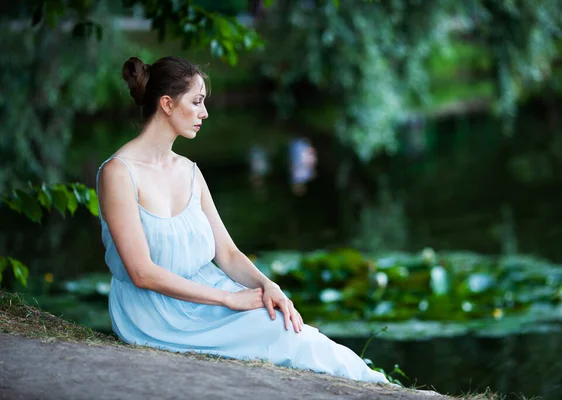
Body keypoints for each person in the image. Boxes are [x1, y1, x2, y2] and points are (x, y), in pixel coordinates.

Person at [96, 56, 388, 383]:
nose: (204, 112)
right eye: (196, 102)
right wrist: (229, 298)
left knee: (290, 327)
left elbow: (228, 254)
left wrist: (267, 285)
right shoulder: (118, 173)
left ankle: (379, 384)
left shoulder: (190, 171)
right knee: (284, 336)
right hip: (153, 314)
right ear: (167, 104)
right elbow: (141, 272)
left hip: (207, 294)